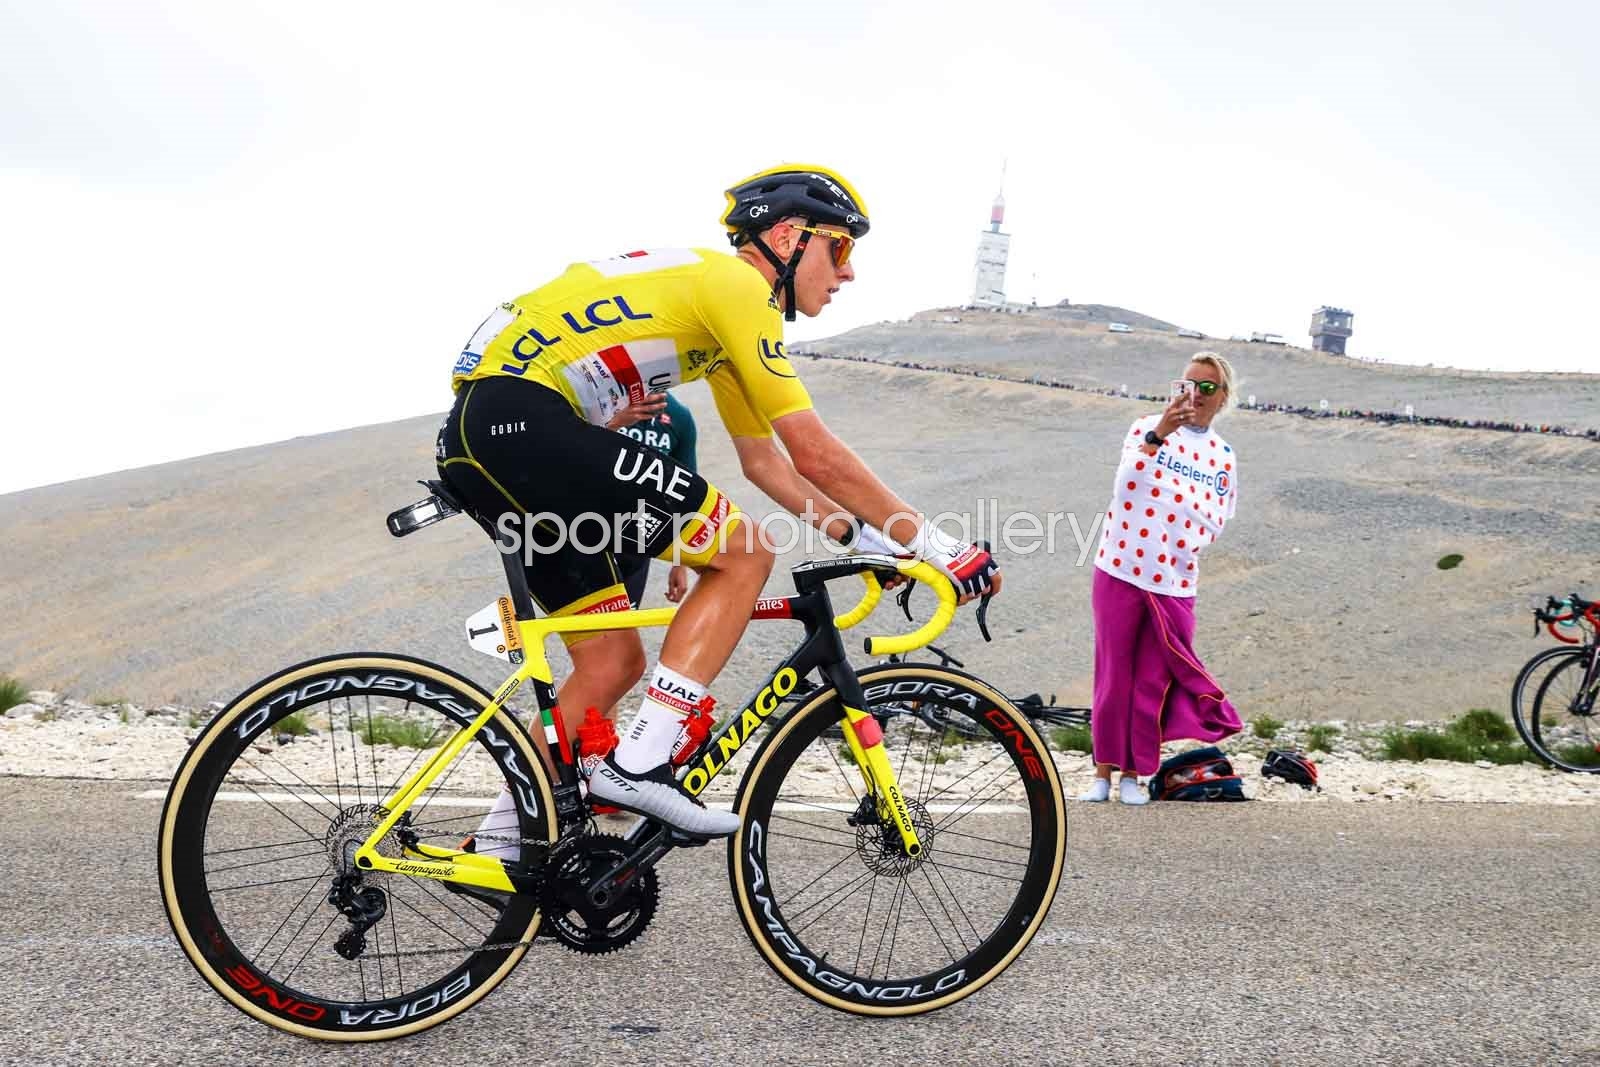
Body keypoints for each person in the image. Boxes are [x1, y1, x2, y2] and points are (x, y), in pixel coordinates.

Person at [437, 165, 999, 844]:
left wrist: (875, 543)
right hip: (522, 419)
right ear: (790, 236)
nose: (846, 272)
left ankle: (503, 847)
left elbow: (765, 463)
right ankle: (641, 762)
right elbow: (814, 452)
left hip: (484, 435)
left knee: (612, 662)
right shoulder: (738, 285)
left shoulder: (722, 322)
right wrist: (941, 546)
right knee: (745, 553)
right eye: (840, 248)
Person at [1082, 352, 1244, 805]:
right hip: (1120, 567)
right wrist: (1160, 434)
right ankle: (1101, 773)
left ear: (1223, 397)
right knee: (1113, 674)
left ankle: (1135, 774)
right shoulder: (1144, 428)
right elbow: (1126, 484)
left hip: (1174, 581)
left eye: (1206, 388)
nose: (1194, 395)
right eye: (1187, 384)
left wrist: (1184, 535)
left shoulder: (1223, 456)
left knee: (1151, 681)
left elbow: (1218, 515)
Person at [607, 390, 698, 609]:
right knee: (583, 625)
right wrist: (615, 423)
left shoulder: (679, 417)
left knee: (623, 621)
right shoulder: (602, 404)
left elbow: (685, 492)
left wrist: (680, 562)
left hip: (638, 531)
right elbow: (569, 452)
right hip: (589, 524)